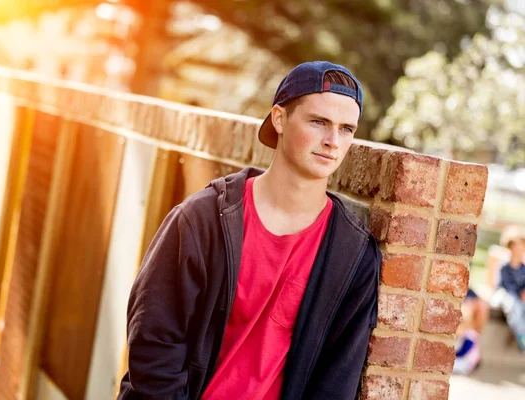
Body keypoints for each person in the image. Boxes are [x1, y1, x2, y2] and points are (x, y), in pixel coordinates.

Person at [117, 61, 381, 400]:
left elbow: (336, 382)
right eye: (319, 122)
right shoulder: (204, 220)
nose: (333, 141)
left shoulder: (353, 254)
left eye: (347, 129)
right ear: (280, 118)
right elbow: (153, 342)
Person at [497, 227, 525, 350]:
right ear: (510, 247)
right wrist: (519, 294)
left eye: (522, 246)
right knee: (515, 308)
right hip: (507, 294)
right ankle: (521, 336)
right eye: (516, 246)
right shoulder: (505, 267)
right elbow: (506, 286)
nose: (519, 249)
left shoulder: (523, 267)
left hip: (519, 296)